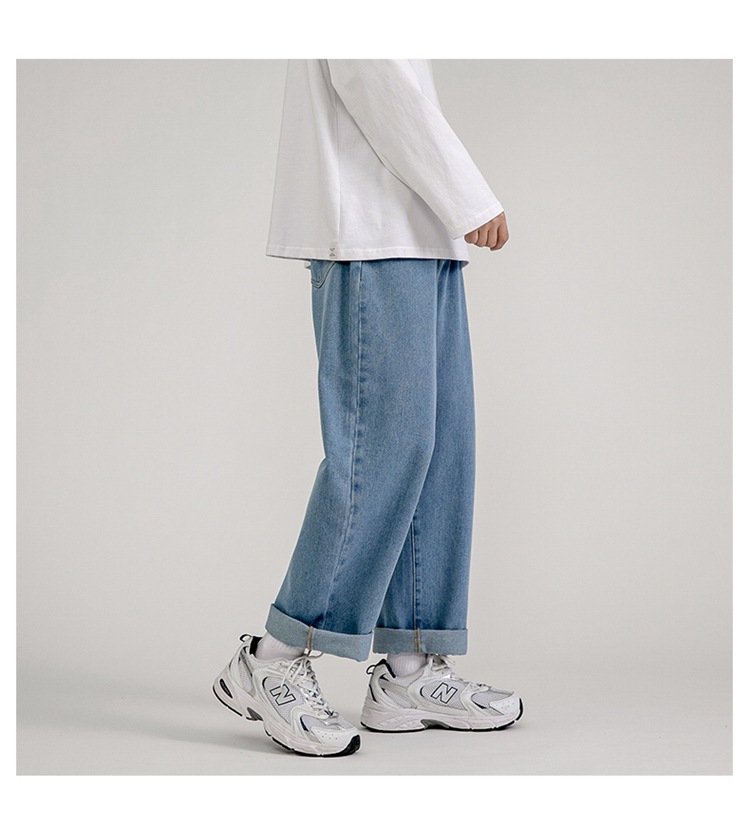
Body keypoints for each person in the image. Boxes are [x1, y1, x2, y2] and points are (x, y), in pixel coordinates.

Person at [213, 59, 522, 757]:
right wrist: (468, 194)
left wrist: (452, 207)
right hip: (368, 229)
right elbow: (370, 73)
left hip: (420, 232)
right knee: (382, 451)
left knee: (438, 449)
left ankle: (409, 670)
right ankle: (273, 657)